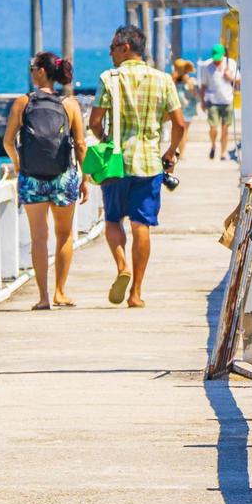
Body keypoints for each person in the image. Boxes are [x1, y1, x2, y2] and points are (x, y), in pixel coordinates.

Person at [89, 25, 186, 308]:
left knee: (112, 220)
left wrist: (107, 140)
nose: (110, 53)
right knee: (141, 224)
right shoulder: (163, 80)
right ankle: (136, 293)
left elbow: (95, 122)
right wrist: (170, 152)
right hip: (150, 163)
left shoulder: (109, 78)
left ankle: (122, 267)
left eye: (113, 48)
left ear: (126, 47)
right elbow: (179, 123)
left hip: (117, 162)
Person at [3, 51, 88, 310]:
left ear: (42, 71)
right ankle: (60, 292)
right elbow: (81, 144)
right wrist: (85, 178)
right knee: (64, 235)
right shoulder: (70, 104)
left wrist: (19, 166)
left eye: (32, 67)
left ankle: (43, 297)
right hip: (64, 177)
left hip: (32, 178)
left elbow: (7, 141)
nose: (31, 72)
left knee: (39, 238)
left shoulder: (22, 102)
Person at [199, 42, 240, 161]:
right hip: (212, 101)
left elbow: (240, 80)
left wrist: (230, 77)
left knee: (225, 128)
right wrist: (202, 101)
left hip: (227, 100)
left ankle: (223, 152)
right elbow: (203, 86)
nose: (216, 61)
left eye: (218, 58)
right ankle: (213, 145)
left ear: (223, 56)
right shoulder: (208, 67)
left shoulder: (230, 63)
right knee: (213, 127)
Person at [171, 59, 198, 159]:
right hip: (175, 107)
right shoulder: (173, 78)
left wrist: (188, 81)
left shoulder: (189, 80)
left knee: (184, 130)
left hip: (187, 108)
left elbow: (194, 94)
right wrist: (173, 79)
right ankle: (177, 151)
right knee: (178, 130)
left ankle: (181, 152)